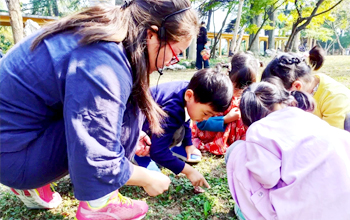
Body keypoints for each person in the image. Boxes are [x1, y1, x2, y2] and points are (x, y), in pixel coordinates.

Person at [0, 1, 199, 219]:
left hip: (15, 140)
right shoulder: (105, 60)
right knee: (131, 109)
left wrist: (133, 134)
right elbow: (96, 151)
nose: (172, 62)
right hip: (13, 156)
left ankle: (34, 184)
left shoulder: (101, 33)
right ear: (152, 34)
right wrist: (147, 177)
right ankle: (100, 204)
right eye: (175, 53)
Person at [226, 81, 350, 220]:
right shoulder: (309, 117)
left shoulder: (258, 128)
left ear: (249, 117)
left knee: (237, 151)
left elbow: (268, 179)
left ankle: (246, 211)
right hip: (343, 208)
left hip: (305, 213)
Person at [134, 67, 233, 190]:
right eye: (206, 113)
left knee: (176, 128)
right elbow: (157, 152)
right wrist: (189, 171)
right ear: (189, 95)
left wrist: (189, 145)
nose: (206, 119)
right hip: (137, 131)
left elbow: (186, 117)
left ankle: (174, 148)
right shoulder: (173, 109)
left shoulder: (190, 91)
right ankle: (140, 154)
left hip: (154, 124)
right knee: (157, 162)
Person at [261, 45, 350, 130]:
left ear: (297, 86)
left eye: (278, 97)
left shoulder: (335, 99)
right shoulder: (307, 87)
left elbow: (331, 142)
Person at [191, 52, 259, 155]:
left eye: (248, 85)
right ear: (229, 76)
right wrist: (225, 119)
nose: (243, 89)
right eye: (240, 85)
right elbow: (201, 123)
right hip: (213, 135)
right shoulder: (219, 95)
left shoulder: (248, 98)